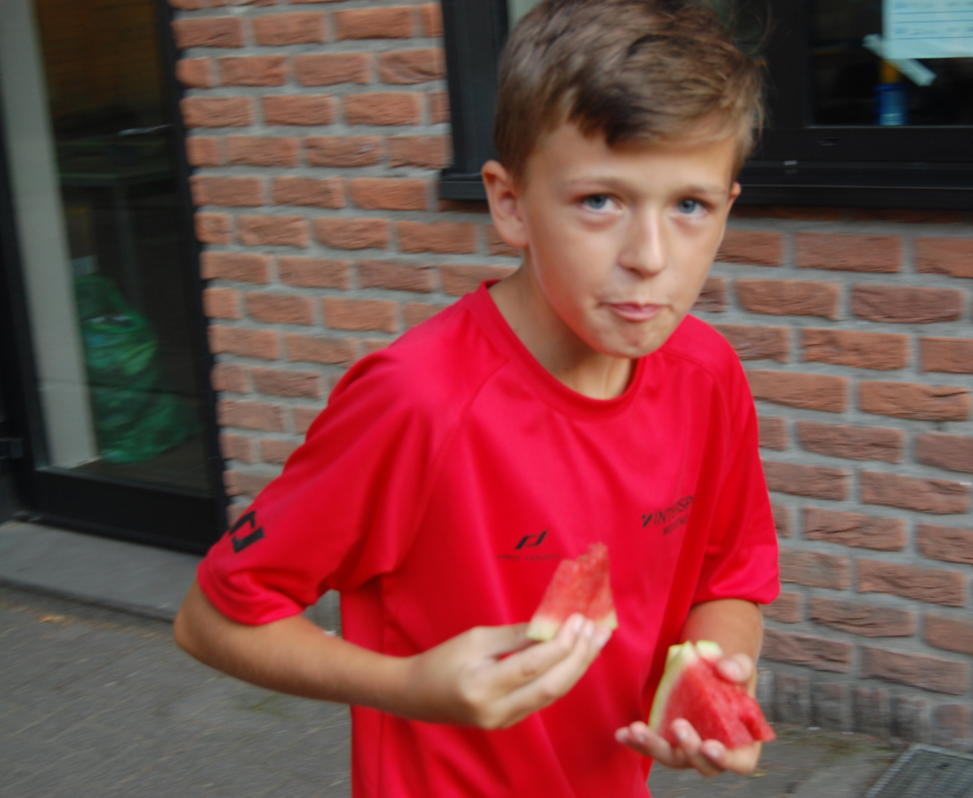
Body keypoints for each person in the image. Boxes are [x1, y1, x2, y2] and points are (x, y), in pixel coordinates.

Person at [173, 1, 779, 795]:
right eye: (600, 201)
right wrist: (404, 686)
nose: (649, 256)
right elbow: (210, 620)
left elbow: (728, 580)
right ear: (510, 203)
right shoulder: (418, 399)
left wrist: (718, 675)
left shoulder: (708, 374)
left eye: (689, 206)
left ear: (727, 210)